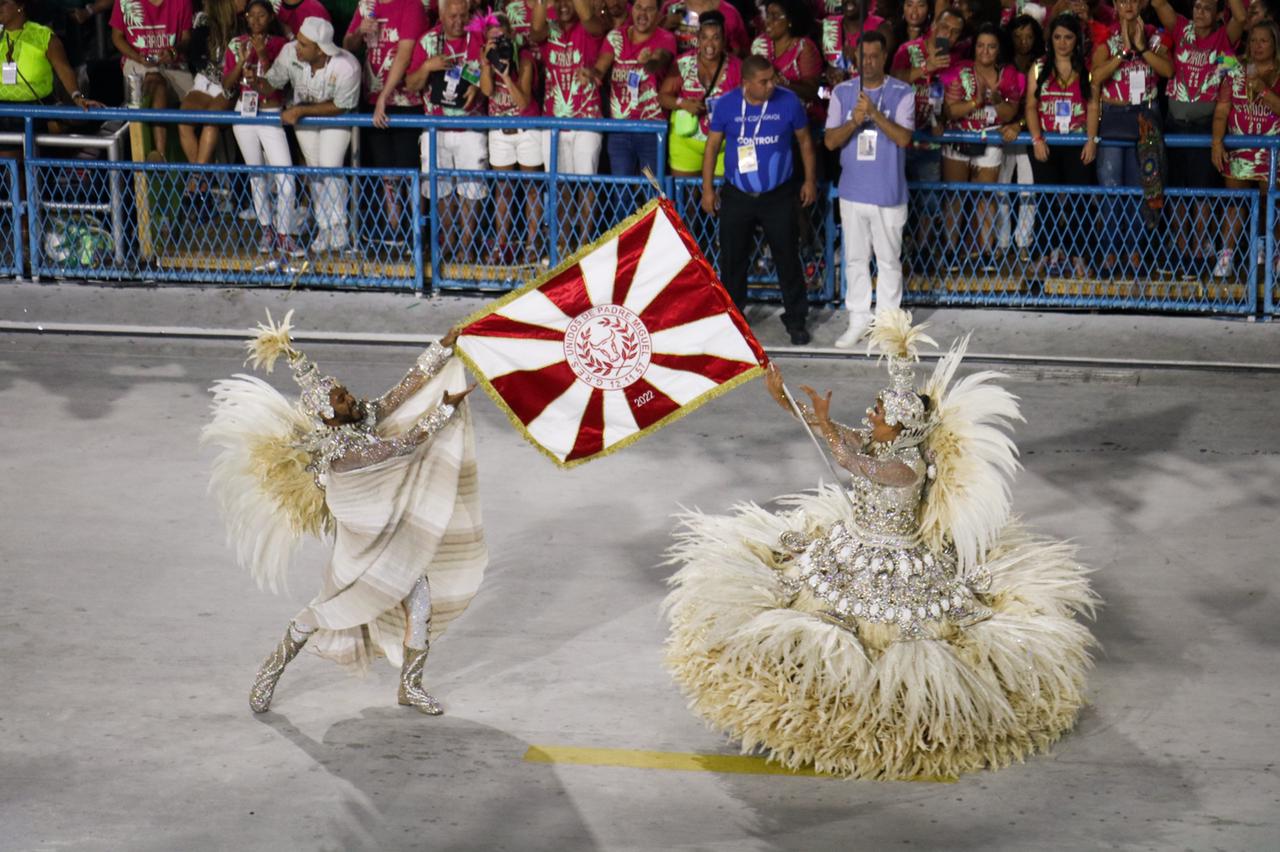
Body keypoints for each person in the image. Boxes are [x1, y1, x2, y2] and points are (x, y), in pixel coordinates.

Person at [663, 308, 1099, 779]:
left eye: (878, 413)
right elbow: (832, 435)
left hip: (897, 564)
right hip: (851, 545)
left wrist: (831, 428)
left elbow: (855, 464)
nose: (869, 415)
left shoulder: (904, 466)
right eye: (873, 410)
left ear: (899, 427)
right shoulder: (879, 444)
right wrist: (785, 401)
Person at [205, 316, 486, 716]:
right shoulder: (343, 451)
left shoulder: (363, 417)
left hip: (394, 538)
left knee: (421, 604)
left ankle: (410, 686)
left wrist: (443, 346)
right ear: (327, 415)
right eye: (340, 398)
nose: (350, 398)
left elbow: (404, 389)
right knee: (323, 612)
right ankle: (270, 671)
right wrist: (443, 411)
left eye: (345, 392)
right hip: (359, 549)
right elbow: (402, 446)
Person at [701, 54, 818, 344]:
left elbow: (805, 141)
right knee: (733, 259)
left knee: (787, 257)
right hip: (737, 193)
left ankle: (795, 319)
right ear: (746, 83)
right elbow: (712, 146)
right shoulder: (727, 104)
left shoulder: (788, 101)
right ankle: (733, 319)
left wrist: (810, 180)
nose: (771, 85)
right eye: (763, 81)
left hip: (778, 194)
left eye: (772, 78)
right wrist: (707, 189)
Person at [824, 31, 914, 347]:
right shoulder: (842, 92)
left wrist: (875, 114)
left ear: (885, 56)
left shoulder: (903, 92)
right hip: (852, 192)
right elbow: (830, 141)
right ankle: (858, 320)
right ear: (855, 58)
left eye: (875, 56)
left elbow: (904, 138)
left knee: (889, 260)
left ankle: (888, 326)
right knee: (855, 259)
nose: (870, 62)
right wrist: (854, 120)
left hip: (888, 193)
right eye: (864, 57)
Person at [1151, 0, 1245, 269]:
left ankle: (1199, 252)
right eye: (1196, 6)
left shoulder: (1223, 36)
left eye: (1207, 8)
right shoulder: (1182, 29)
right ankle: (1181, 252)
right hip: (1175, 125)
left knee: (1201, 192)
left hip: (1206, 126)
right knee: (1178, 189)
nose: (1199, 11)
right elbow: (1158, 3)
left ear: (1218, 14)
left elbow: (1241, 15)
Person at [259, 16, 362, 253]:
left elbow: (341, 106)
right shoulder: (289, 52)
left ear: (320, 49)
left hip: (334, 117)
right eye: (299, 40)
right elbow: (270, 84)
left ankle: (339, 226)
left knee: (329, 166)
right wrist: (255, 80)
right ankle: (324, 227)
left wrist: (300, 110)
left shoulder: (347, 66)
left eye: (304, 44)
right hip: (303, 117)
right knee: (315, 171)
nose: (297, 46)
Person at [1091, 0, 1172, 278]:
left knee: (1143, 188)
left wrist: (1142, 49)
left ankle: (1136, 253)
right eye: (1122, 0)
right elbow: (1096, 77)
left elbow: (1168, 71)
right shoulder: (1106, 35)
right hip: (1115, 117)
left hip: (1146, 116)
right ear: (1114, 4)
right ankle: (1111, 253)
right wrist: (1125, 52)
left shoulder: (1154, 34)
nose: (1128, 4)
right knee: (1111, 188)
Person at [405, 0, 488, 264]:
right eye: (453, 16)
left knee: (470, 189)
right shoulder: (428, 41)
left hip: (471, 126)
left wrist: (474, 85)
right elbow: (410, 84)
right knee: (439, 189)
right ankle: (447, 241)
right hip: (435, 126)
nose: (459, 22)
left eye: (463, 16)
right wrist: (427, 67)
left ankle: (466, 245)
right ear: (441, 14)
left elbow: (488, 75)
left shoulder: (477, 37)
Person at [343, 0, 429, 247]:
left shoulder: (411, 6)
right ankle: (394, 229)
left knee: (409, 170)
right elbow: (346, 45)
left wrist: (384, 95)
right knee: (386, 173)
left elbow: (405, 54)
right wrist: (360, 32)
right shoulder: (365, 5)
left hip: (405, 101)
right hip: (372, 99)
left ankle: (415, 231)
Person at [941, 23, 1025, 271]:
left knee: (985, 197)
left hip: (989, 139)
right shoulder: (960, 70)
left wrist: (997, 101)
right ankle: (950, 252)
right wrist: (975, 102)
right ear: (974, 48)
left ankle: (987, 252)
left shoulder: (1008, 74)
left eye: (991, 47)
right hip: (959, 137)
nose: (985, 51)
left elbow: (1011, 112)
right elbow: (949, 110)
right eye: (980, 45)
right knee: (954, 196)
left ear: (999, 50)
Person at [531, 0, 608, 251]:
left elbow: (590, 20)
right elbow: (535, 31)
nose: (564, 4)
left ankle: (584, 245)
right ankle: (563, 245)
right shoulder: (549, 28)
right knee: (559, 184)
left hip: (587, 118)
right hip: (553, 119)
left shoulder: (591, 26)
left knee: (586, 184)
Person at [1025, 12, 1097, 278]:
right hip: (1047, 143)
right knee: (1046, 201)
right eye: (1057, 37)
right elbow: (1031, 107)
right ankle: (1042, 255)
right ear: (1050, 39)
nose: (1062, 43)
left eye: (1068, 37)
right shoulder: (1037, 68)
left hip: (1078, 143)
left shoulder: (1086, 69)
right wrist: (1037, 139)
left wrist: (1091, 140)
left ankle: (1079, 256)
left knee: (1079, 202)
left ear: (1076, 40)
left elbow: (1092, 106)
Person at [1211, 20, 1280, 277]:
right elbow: (1221, 110)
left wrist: (1263, 90)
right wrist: (1217, 142)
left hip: (1272, 150)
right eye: (1253, 40)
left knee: (1271, 203)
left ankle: (1270, 252)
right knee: (1234, 204)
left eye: (1263, 40)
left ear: (1275, 44)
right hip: (1240, 148)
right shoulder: (1236, 69)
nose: (1257, 45)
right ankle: (1226, 257)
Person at [224, 0, 293, 255]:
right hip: (244, 112)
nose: (255, 21)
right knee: (256, 177)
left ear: (271, 18)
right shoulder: (235, 44)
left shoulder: (281, 46)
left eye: (261, 16)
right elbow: (227, 84)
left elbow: (279, 85)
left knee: (286, 179)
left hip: (271, 112)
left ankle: (285, 234)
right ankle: (267, 230)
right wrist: (242, 62)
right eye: (251, 16)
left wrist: (263, 54)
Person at [479, 12, 543, 264]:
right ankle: (502, 244)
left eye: (503, 38)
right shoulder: (486, 59)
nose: (499, 43)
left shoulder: (524, 60)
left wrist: (506, 73)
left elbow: (523, 102)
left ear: (512, 36)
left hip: (527, 129)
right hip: (499, 130)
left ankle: (533, 245)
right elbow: (486, 91)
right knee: (503, 190)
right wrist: (487, 65)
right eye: (494, 40)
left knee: (531, 189)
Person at [591, 0, 677, 175]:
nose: (642, 14)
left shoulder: (666, 38)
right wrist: (592, 74)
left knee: (654, 191)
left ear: (659, 14)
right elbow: (600, 68)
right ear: (632, 9)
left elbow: (660, 59)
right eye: (639, 7)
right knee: (621, 192)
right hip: (620, 129)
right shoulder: (616, 37)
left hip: (652, 129)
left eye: (649, 9)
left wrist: (650, 62)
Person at [659, 9, 741, 177]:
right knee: (686, 198)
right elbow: (663, 97)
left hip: (724, 144)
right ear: (697, 39)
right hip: (687, 142)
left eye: (716, 37)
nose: (709, 44)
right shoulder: (683, 63)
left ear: (724, 40)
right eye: (705, 37)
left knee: (720, 198)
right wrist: (684, 104)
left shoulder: (737, 67)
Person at [175, 0, 239, 210]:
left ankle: (195, 185)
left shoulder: (247, 21)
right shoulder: (203, 22)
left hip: (230, 84)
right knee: (183, 120)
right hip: (206, 81)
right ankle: (202, 182)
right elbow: (195, 56)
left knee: (212, 119)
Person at [110, 0, 195, 157]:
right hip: (137, 62)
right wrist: (137, 56)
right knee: (156, 80)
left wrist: (174, 52)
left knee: (198, 102)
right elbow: (117, 37)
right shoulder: (124, 2)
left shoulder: (182, 2)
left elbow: (187, 38)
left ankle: (204, 174)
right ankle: (160, 156)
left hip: (174, 65)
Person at [751, 0, 822, 119]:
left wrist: (780, 84)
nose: (768, 21)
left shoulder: (804, 47)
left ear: (790, 21)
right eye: (768, 15)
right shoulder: (760, 45)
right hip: (768, 115)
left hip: (803, 116)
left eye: (775, 16)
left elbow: (811, 91)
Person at [660, 0, 750, 57]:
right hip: (676, 78)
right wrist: (665, 27)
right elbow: (652, 44)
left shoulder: (730, 13)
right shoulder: (670, 7)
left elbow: (744, 53)